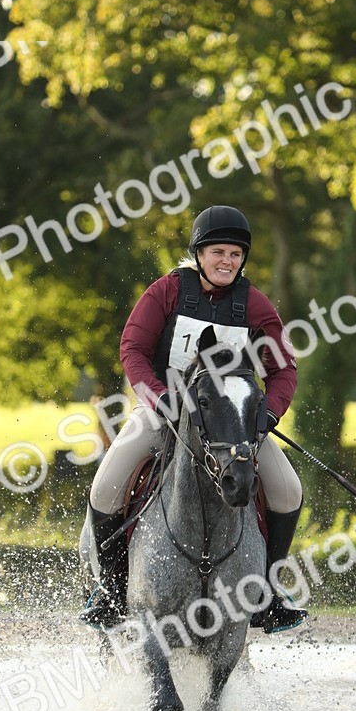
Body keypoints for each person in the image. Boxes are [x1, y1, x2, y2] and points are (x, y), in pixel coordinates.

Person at [81, 204, 306, 634]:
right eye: (218, 252)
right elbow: (132, 350)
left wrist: (268, 413)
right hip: (164, 414)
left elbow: (283, 369)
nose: (227, 261)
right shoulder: (166, 292)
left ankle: (268, 592)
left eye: (235, 254)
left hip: (231, 424)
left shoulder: (254, 305)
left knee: (288, 490)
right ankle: (110, 590)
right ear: (199, 254)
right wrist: (160, 398)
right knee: (105, 488)